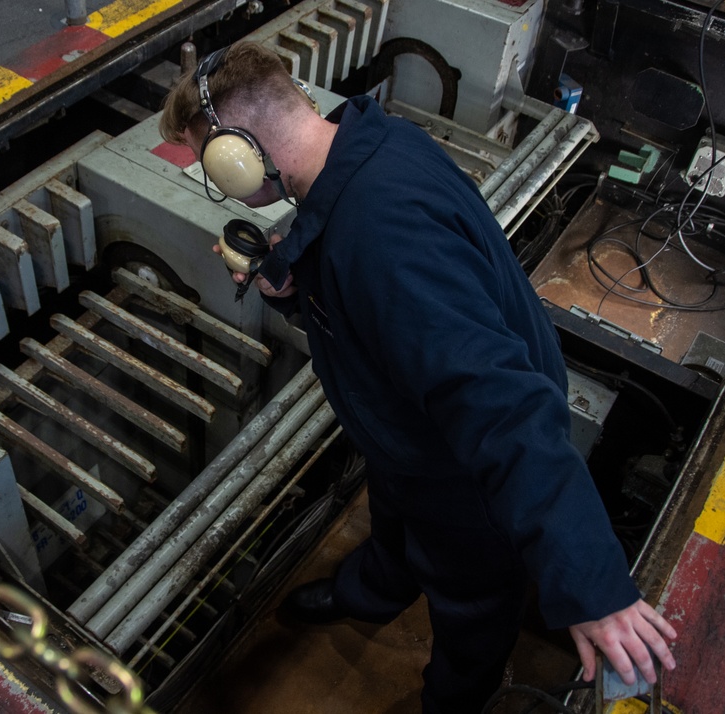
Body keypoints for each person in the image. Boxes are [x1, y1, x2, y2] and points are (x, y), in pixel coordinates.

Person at [159, 41, 677, 713]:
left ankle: (453, 698)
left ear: (238, 155)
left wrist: (594, 586)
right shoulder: (366, 145)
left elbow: (501, 406)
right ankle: (370, 591)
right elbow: (360, 289)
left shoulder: (380, 236)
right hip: (406, 440)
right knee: (397, 524)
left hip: (461, 465)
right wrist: (290, 281)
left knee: (473, 600)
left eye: (211, 160)